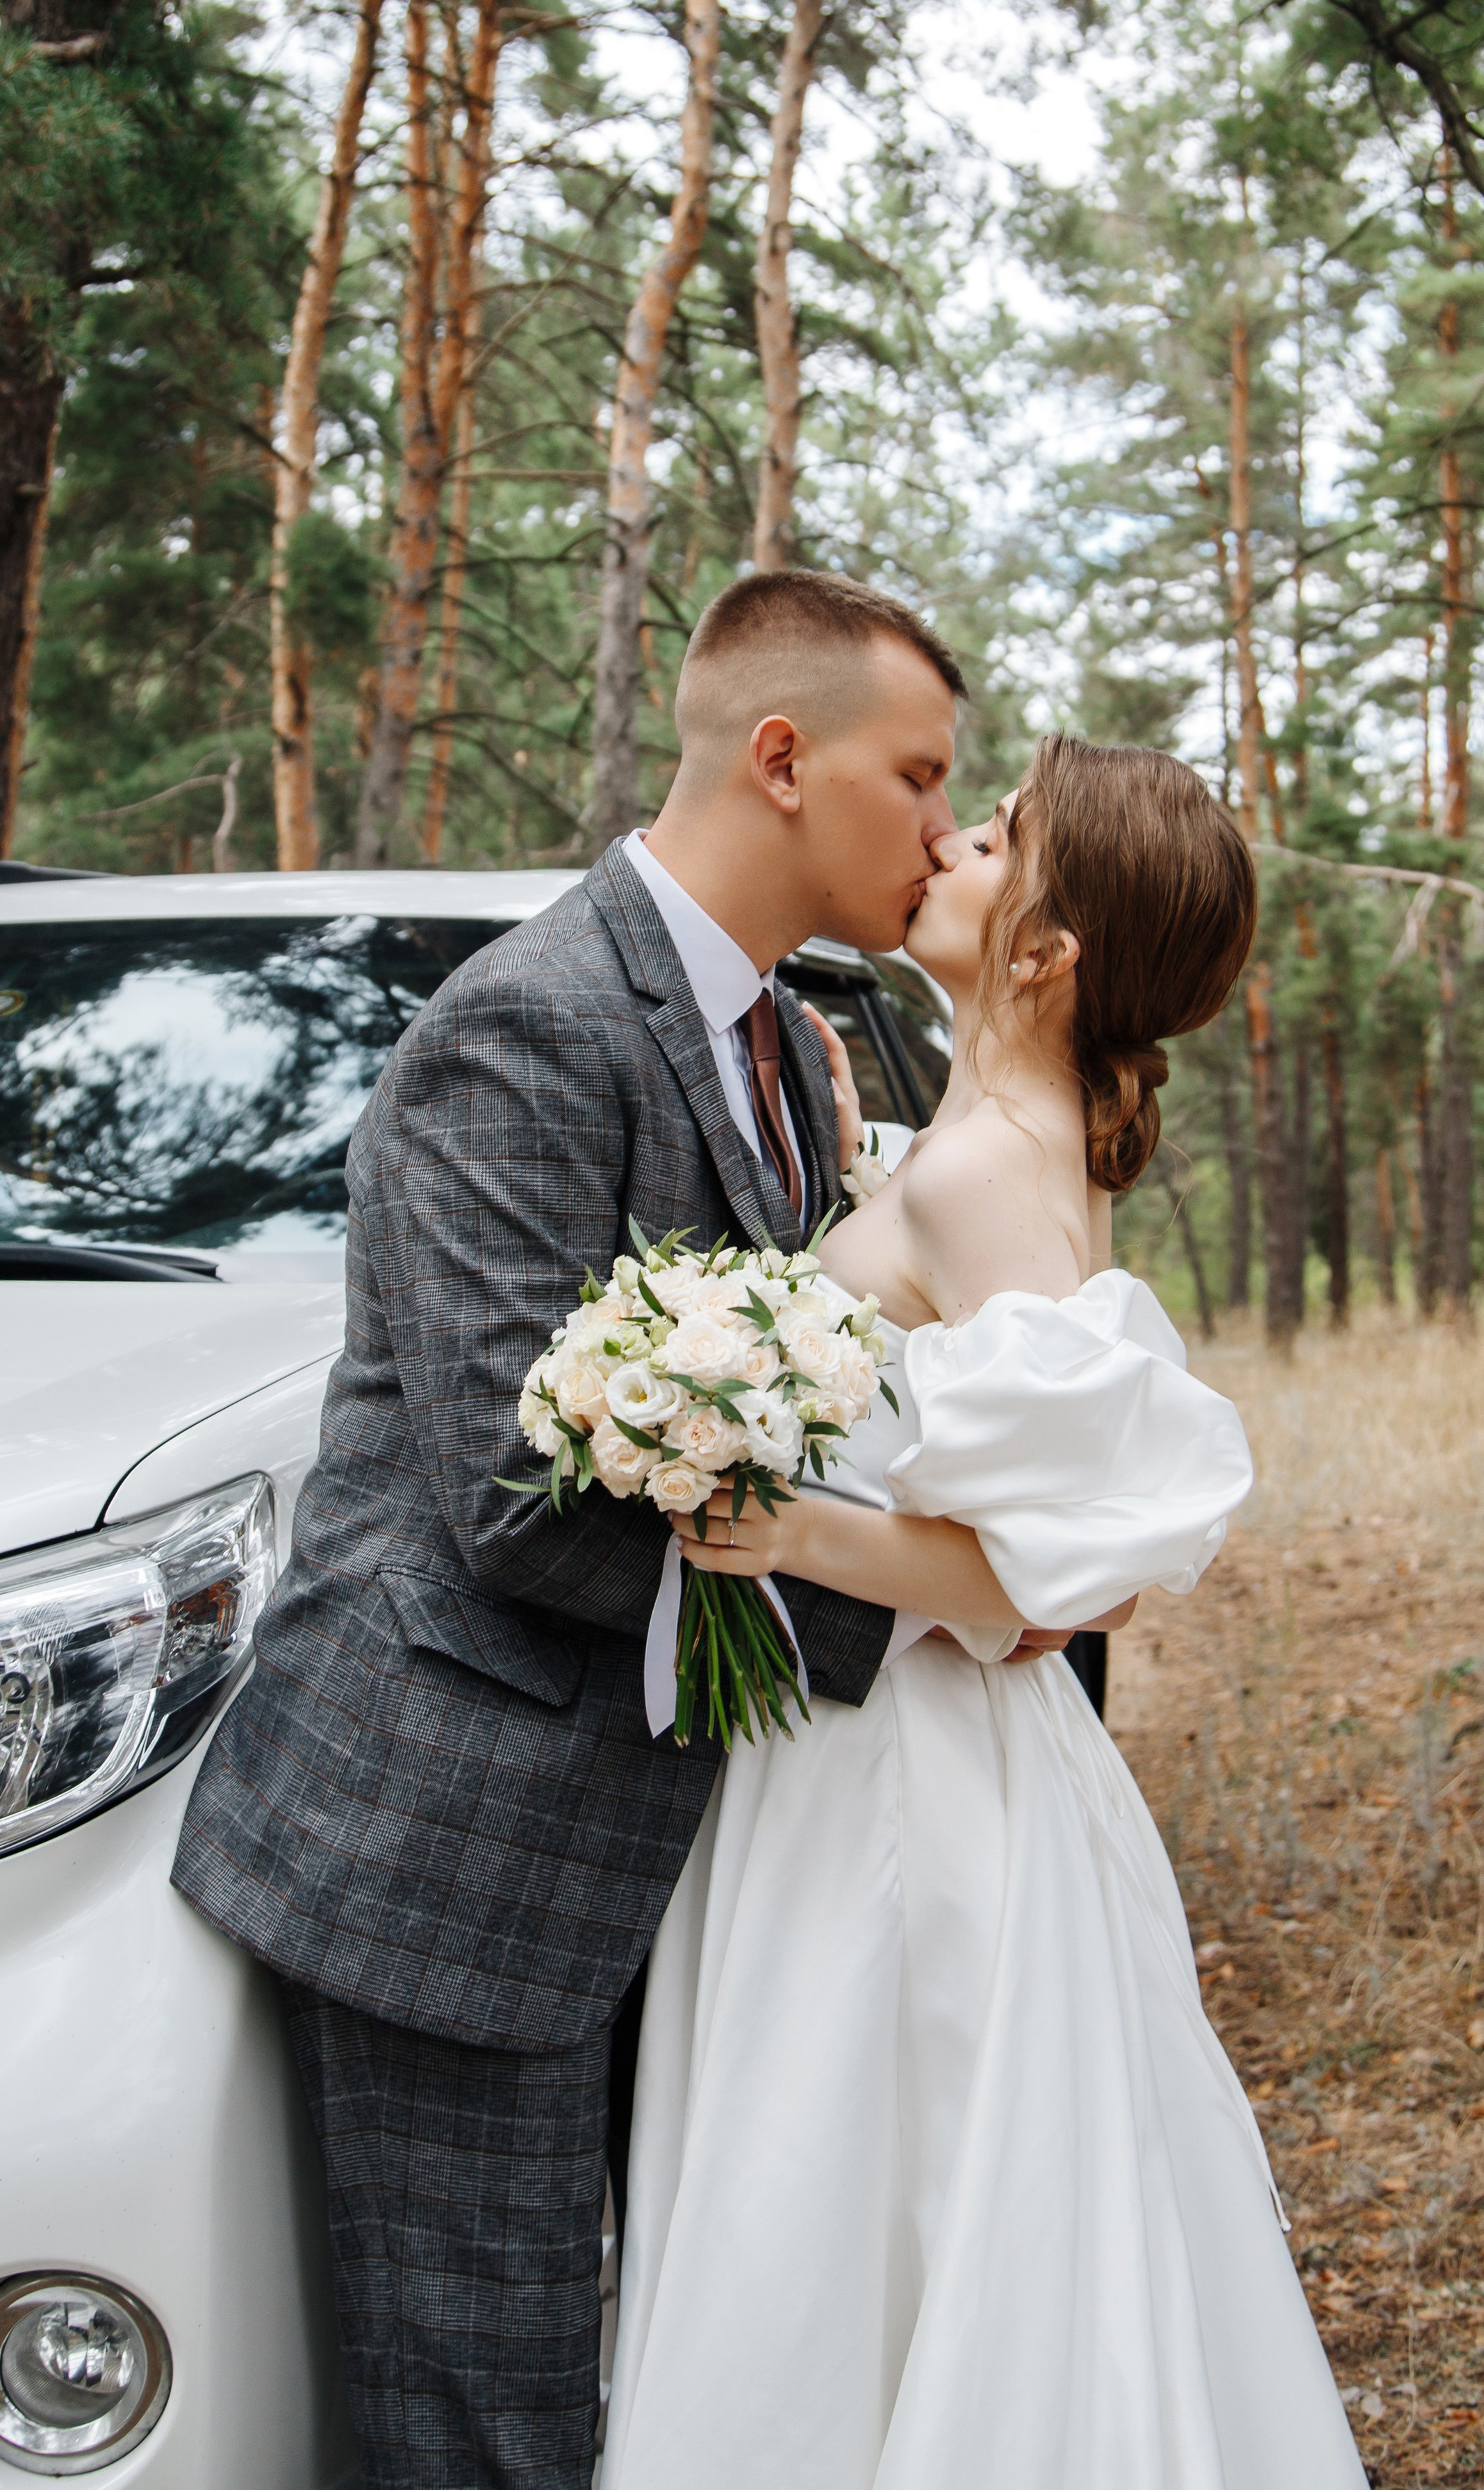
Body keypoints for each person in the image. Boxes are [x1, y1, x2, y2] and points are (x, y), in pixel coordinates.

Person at [172, 570, 1083, 2489]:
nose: (943, 826)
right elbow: (518, 1503)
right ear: (782, 758)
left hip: (689, 1848)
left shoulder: (788, 1047)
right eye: (920, 776)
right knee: (486, 2432)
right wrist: (920, 1619)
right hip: (462, 1856)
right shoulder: (529, 1025)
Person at [599, 734, 1366, 2490]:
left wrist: (777, 1528)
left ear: (1047, 949)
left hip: (908, 1784)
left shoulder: (983, 1174)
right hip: (899, 1757)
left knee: (862, 2196)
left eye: (998, 834)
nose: (950, 838)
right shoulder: (982, 1143)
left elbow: (1032, 1591)